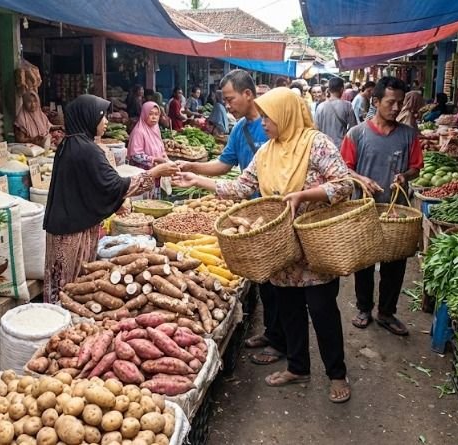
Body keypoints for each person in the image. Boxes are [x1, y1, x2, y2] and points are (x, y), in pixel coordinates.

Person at [173, 87, 354, 403]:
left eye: (269, 117)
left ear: (286, 114)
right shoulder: (267, 151)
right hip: (279, 246)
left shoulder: (317, 144)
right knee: (289, 309)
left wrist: (304, 195)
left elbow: (344, 185)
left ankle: (337, 374)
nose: (264, 123)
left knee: (322, 310)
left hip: (314, 245)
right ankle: (298, 367)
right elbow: (241, 187)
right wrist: (198, 180)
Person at [179, 70, 280, 366]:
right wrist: (191, 166)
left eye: (229, 98)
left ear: (248, 94)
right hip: (250, 215)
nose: (226, 105)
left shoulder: (272, 124)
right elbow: (224, 165)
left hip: (275, 213)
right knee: (264, 278)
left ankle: (282, 342)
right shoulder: (239, 130)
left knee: (280, 281)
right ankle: (272, 333)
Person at [43, 95, 179, 303]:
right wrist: (154, 173)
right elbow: (113, 185)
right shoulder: (87, 149)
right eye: (102, 116)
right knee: (71, 288)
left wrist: (115, 203)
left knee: (62, 282)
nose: (106, 121)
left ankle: (56, 313)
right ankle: (62, 317)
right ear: (88, 117)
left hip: (65, 225)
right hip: (72, 232)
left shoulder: (69, 144)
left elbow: (89, 187)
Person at [340, 77, 423, 336]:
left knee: (395, 263)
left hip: (396, 211)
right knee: (364, 262)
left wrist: (405, 176)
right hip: (364, 210)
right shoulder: (357, 134)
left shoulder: (408, 135)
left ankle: (386, 312)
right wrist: (361, 179)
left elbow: (416, 167)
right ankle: (364, 308)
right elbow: (344, 169)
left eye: (400, 102)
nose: (396, 108)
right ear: (375, 102)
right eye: (390, 102)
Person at [314, 77, 357, 148]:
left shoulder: (320, 107)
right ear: (342, 89)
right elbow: (353, 128)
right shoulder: (347, 105)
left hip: (325, 147)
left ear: (329, 89)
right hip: (341, 146)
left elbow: (316, 128)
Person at [128, 101, 167, 169]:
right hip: (142, 171)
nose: (154, 117)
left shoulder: (156, 129)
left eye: (156, 114)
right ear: (144, 114)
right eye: (150, 114)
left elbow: (161, 149)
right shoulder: (139, 131)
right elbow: (135, 156)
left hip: (157, 169)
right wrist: (154, 159)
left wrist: (165, 158)